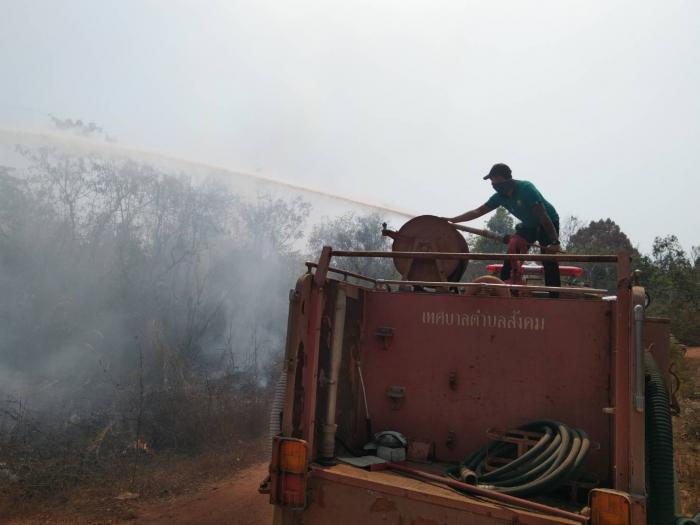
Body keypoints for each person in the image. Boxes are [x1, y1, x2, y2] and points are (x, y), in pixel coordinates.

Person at [445, 163, 562, 289]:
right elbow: (477, 211)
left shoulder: (526, 189)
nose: (493, 185)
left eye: (495, 180)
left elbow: (542, 214)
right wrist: (453, 220)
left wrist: (555, 242)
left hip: (547, 222)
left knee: (548, 259)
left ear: (504, 179)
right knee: (511, 256)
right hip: (529, 226)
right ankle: (503, 290)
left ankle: (554, 294)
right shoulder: (499, 197)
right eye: (491, 182)